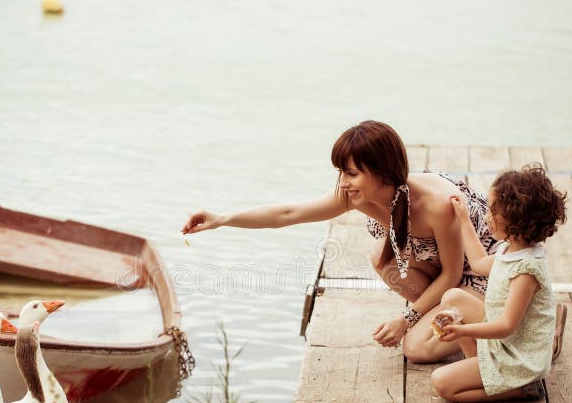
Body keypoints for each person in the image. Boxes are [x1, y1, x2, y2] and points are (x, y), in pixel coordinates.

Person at [181, 120, 500, 361]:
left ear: (382, 172)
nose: (343, 183)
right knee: (383, 260)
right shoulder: (357, 195)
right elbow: (289, 213)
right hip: (445, 269)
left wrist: (406, 319)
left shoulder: (435, 206)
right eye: (341, 172)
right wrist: (223, 219)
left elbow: (453, 274)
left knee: (415, 348)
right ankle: (464, 322)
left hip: (483, 273)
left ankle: (505, 323)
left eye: (351, 173)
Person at [431, 163, 567, 403]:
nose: (487, 216)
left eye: (493, 212)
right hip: (504, 343)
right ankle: (478, 367)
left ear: (516, 221)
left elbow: (506, 326)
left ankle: (523, 387)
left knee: (442, 384)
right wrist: (463, 220)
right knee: (453, 299)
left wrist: (460, 330)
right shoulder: (512, 249)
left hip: (516, 357)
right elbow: (478, 262)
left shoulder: (527, 269)